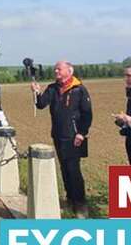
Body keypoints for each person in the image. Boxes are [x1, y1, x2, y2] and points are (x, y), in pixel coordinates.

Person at [31, 61, 93, 219]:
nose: (56, 71)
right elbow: (41, 104)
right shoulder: (53, 88)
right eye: (55, 69)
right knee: (64, 168)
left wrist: (82, 133)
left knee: (74, 170)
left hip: (74, 136)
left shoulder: (79, 89)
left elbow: (87, 114)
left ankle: (80, 204)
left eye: (59, 69)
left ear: (69, 71)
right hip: (58, 134)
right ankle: (69, 199)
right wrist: (37, 93)